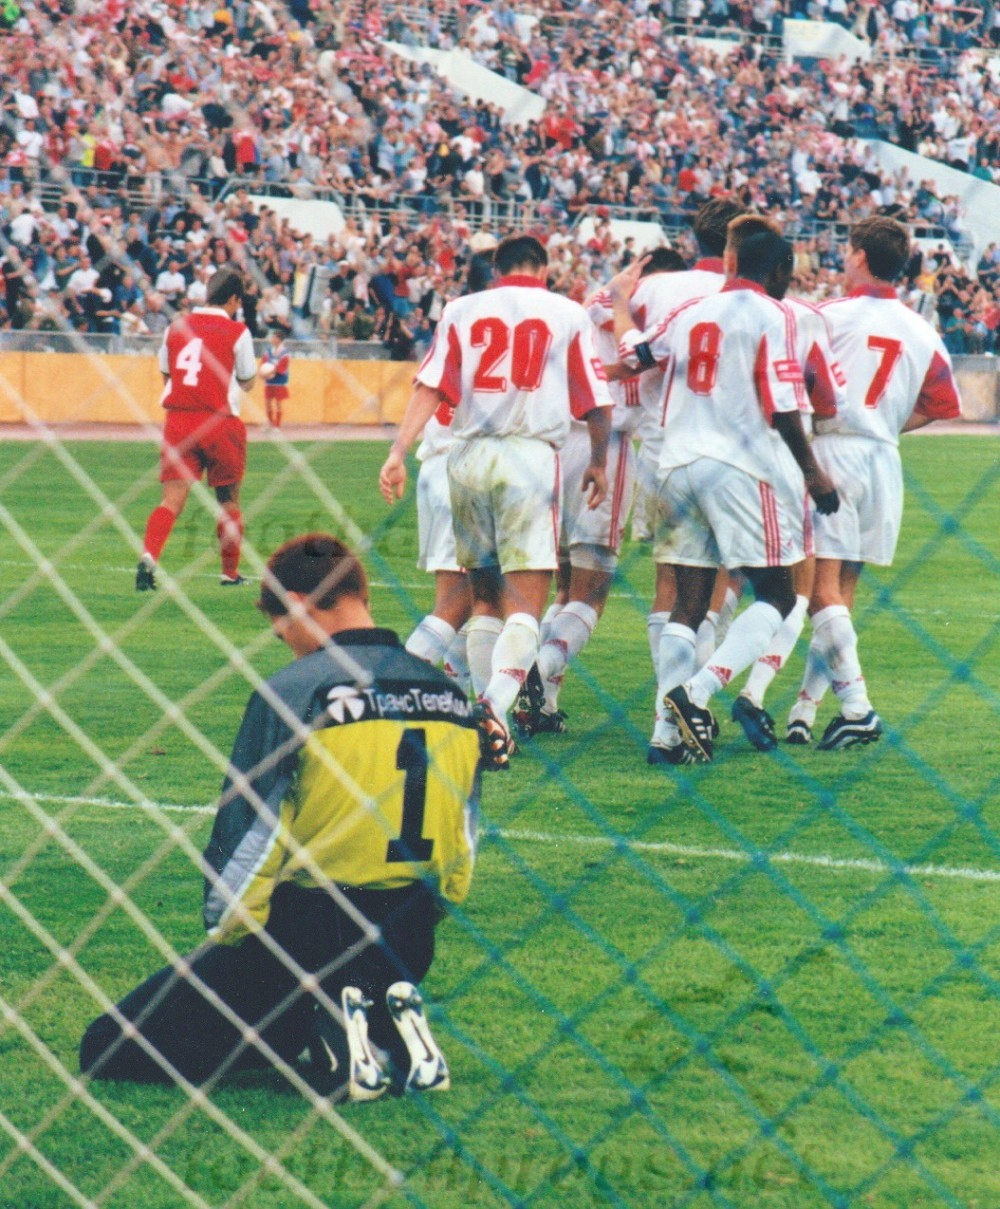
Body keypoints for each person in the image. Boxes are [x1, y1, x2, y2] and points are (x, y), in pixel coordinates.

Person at [82, 534, 480, 1099]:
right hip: (408, 931)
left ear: (295, 604)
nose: (289, 647)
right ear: (360, 594)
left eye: (282, 630)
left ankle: (333, 1017)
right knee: (281, 1025)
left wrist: (231, 937)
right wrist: (425, 912)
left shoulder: (295, 692)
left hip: (307, 935)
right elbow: (464, 834)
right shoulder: (448, 693)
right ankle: (376, 1019)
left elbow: (252, 836)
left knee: (106, 1046)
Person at [378, 234, 614, 762]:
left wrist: (397, 450)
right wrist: (598, 461)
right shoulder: (566, 313)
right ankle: (494, 705)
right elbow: (597, 400)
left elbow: (430, 385)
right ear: (543, 269)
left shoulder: (462, 309)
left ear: (497, 268)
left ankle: (478, 712)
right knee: (526, 601)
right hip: (528, 455)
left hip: (466, 456)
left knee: (482, 595)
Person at [611, 230, 840, 764]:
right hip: (739, 468)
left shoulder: (690, 312)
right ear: (779, 269)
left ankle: (664, 736)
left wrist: (619, 309)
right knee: (779, 595)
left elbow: (634, 356)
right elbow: (783, 403)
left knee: (688, 604)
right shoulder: (774, 314)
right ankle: (696, 693)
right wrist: (813, 472)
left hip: (676, 464)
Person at [785, 217, 962, 750]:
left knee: (820, 589)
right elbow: (942, 405)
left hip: (833, 452)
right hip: (884, 458)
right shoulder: (921, 329)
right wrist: (884, 423)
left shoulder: (826, 316)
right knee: (843, 592)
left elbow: (796, 385)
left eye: (848, 251)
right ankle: (805, 710)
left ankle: (858, 707)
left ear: (860, 256)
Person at [135, 265, 256, 591]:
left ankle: (149, 556)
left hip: (179, 421)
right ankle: (229, 573)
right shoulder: (237, 331)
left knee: (170, 500)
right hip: (220, 422)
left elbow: (167, 374)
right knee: (228, 500)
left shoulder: (175, 327)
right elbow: (247, 379)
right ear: (233, 299)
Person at [260, 328, 291, 429]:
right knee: (268, 403)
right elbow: (263, 363)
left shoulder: (285, 354)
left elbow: (280, 368)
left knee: (278, 403)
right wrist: (261, 372)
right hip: (269, 381)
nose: (272, 339)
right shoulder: (268, 352)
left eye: (274, 337)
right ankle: (270, 423)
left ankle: (277, 425)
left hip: (279, 381)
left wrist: (267, 373)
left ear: (279, 339)